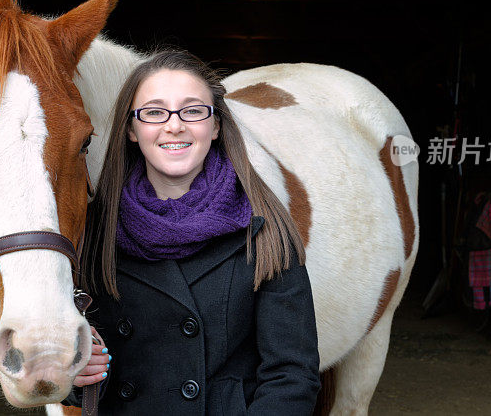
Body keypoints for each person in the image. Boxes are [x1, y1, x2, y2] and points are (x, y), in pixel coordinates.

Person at [62, 51, 320, 414]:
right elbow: (83, 377)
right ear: (132, 129)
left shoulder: (265, 231)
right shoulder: (93, 236)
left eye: (193, 110)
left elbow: (291, 376)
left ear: (215, 126)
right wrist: (80, 375)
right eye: (154, 112)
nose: (174, 126)